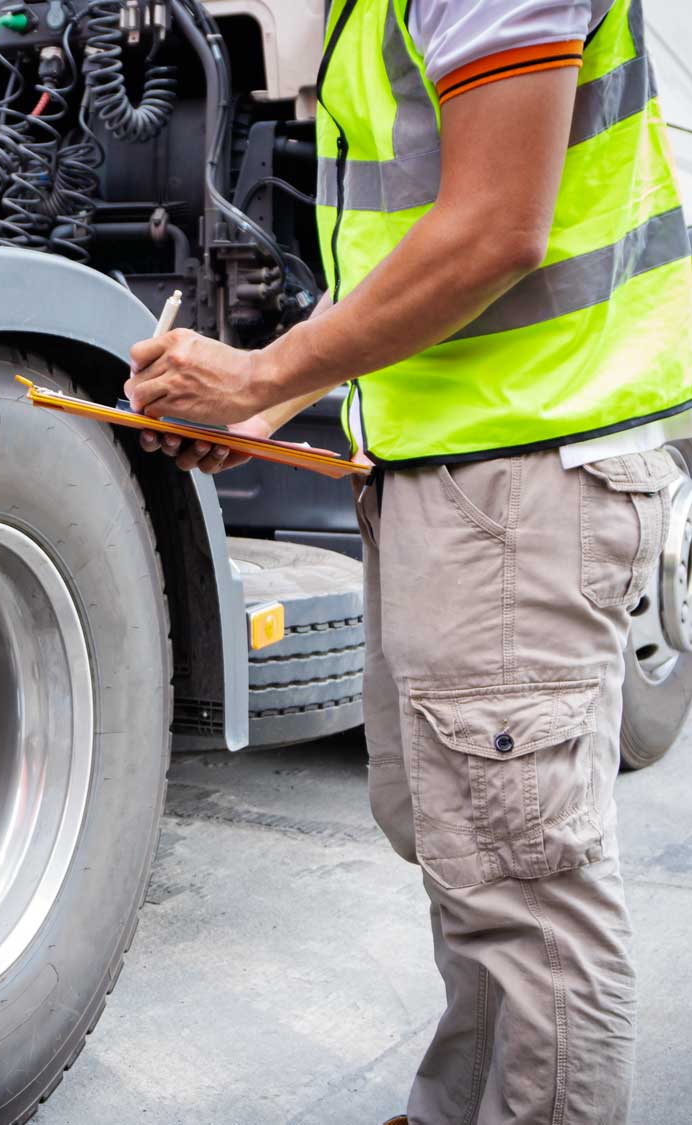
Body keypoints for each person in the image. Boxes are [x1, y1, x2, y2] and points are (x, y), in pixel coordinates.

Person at [125, 1, 692, 1122]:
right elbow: (415, 254)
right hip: (469, 469)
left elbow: (493, 230)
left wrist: (250, 379)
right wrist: (268, 393)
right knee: (475, 851)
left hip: (518, 474)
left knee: (528, 892)